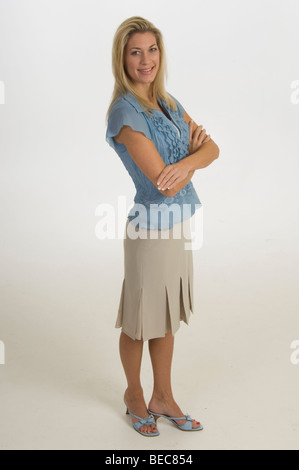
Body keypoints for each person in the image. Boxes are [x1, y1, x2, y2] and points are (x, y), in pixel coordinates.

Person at [105, 16, 220, 437]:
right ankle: (135, 395)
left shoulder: (167, 102)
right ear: (123, 58)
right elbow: (161, 183)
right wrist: (195, 158)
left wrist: (190, 161)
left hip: (177, 229)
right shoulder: (124, 111)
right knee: (140, 321)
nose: (145, 59)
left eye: (151, 49)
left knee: (166, 317)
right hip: (148, 233)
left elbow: (214, 148)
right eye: (135, 51)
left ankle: (163, 397)